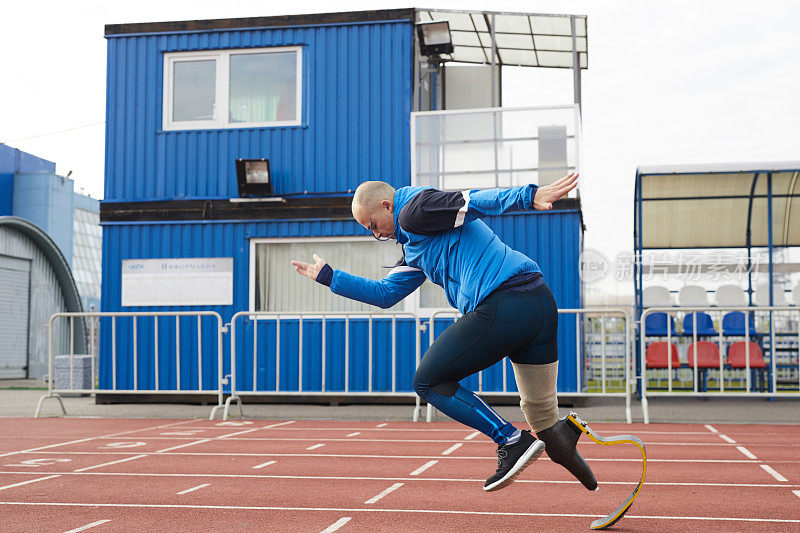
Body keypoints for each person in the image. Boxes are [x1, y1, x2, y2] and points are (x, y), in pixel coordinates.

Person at [291, 173, 597, 492]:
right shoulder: (416, 247)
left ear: (386, 205)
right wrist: (328, 277)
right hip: (539, 305)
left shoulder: (414, 210)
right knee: (544, 421)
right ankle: (592, 483)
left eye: (371, 224)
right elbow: (385, 295)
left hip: (504, 303)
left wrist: (528, 196)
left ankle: (509, 439)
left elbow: (472, 200)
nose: (374, 234)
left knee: (428, 381)